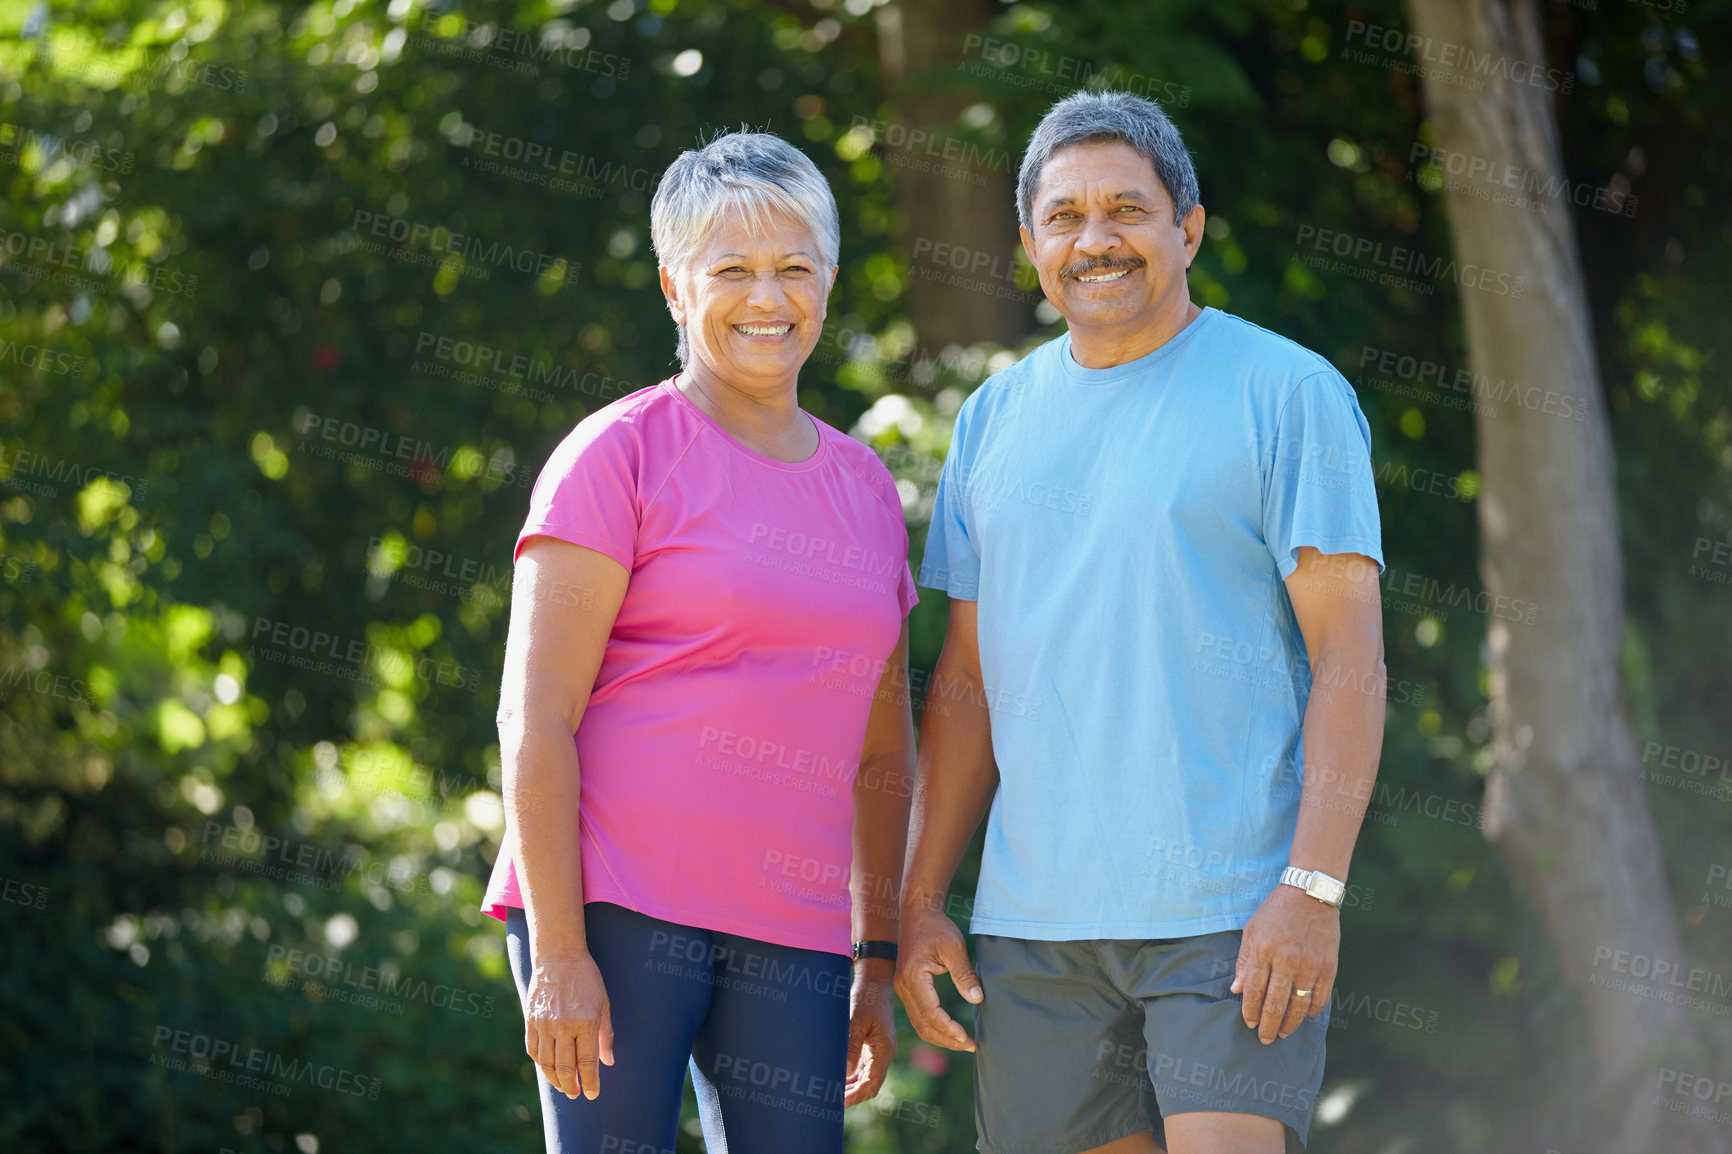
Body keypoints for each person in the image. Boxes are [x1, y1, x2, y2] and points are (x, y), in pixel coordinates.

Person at [895, 90, 1387, 1154]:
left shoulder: (1286, 393)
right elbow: (969, 678)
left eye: (1127, 208)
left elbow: (1350, 658)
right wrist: (920, 895)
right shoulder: (991, 419)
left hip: (1228, 911)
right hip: (1036, 929)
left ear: (1188, 225)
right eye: (1064, 216)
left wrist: (1311, 886)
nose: (1095, 238)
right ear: (1029, 243)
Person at [482, 131, 919, 1154]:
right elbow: (533, 713)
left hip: (796, 928)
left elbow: (883, 754)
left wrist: (877, 955)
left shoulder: (866, 490)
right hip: (616, 903)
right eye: (731, 270)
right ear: (676, 288)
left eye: (793, 268)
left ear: (829, 280)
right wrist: (557, 950)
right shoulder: (615, 454)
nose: (766, 297)